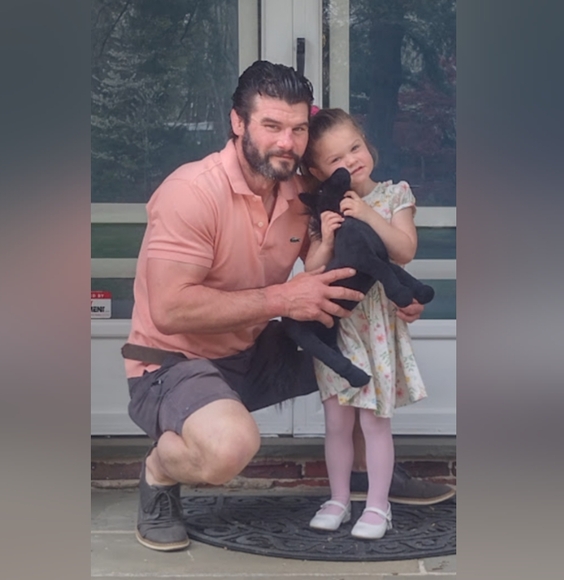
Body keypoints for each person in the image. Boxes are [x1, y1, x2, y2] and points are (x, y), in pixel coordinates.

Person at [122, 61, 448, 553]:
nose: (286, 142)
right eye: (271, 126)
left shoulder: (301, 193)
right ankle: (158, 472)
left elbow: (345, 260)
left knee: (358, 345)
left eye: (297, 129)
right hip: (174, 362)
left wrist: (394, 297)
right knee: (230, 446)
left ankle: (369, 473)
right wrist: (282, 298)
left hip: (253, 348)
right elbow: (170, 310)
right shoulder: (190, 192)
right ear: (238, 122)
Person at [302, 108, 436, 539]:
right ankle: (339, 499)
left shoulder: (395, 195)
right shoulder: (325, 208)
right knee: (337, 422)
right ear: (319, 173)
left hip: (376, 326)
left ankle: (378, 506)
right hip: (339, 327)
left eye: (355, 148)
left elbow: (404, 249)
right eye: (336, 159)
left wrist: (366, 214)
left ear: (367, 143)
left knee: (375, 421)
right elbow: (311, 269)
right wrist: (325, 237)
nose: (351, 161)